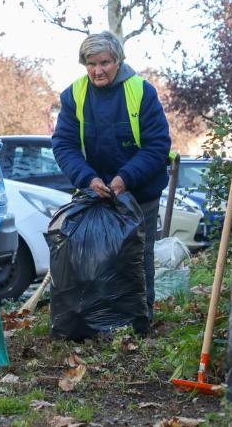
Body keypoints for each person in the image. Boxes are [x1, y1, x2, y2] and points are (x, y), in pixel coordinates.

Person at [52, 31, 171, 320]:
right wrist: (88, 179)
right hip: (96, 192)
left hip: (139, 192)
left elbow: (158, 146)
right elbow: (64, 144)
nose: (97, 70)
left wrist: (125, 179)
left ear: (118, 61)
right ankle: (97, 320)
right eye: (91, 64)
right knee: (92, 258)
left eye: (104, 62)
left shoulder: (142, 92)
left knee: (136, 258)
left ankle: (139, 320)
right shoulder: (74, 95)